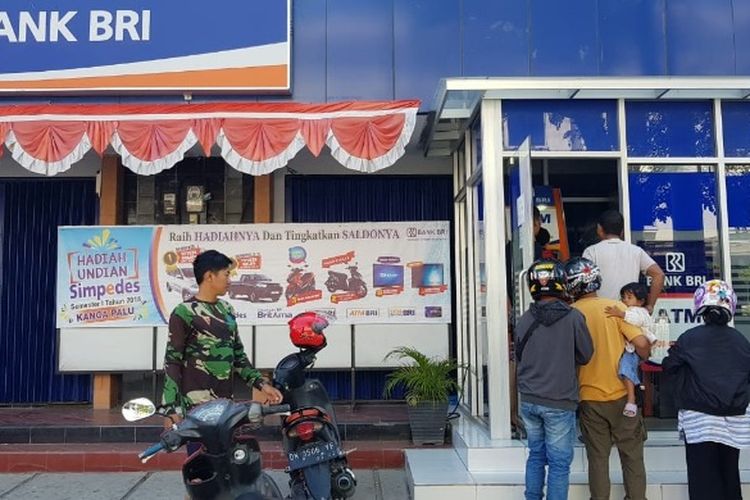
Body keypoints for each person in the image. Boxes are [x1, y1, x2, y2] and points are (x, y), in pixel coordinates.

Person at [161, 250, 283, 433]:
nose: (230, 280)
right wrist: (170, 409)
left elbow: (238, 356)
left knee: (231, 451)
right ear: (209, 276)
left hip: (225, 408)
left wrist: (262, 385)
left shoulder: (227, 310)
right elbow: (172, 361)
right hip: (196, 410)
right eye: (226, 274)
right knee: (201, 452)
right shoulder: (184, 312)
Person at [564, 257, 651, 500]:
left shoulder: (570, 314)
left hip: (588, 397)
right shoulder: (615, 308)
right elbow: (642, 344)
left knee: (598, 458)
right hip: (624, 395)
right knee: (632, 456)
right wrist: (638, 359)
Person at [661, 280, 750, 500]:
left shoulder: (690, 338)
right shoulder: (741, 340)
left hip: (699, 418)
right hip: (734, 418)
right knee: (729, 473)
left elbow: (669, 366)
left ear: (701, 308)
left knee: (702, 477)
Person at [515, 259, 594, 500]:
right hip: (559, 400)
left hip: (529, 399)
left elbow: (519, 356)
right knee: (559, 464)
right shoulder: (574, 317)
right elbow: (586, 355)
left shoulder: (523, 319)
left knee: (536, 456)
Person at [583, 210, 665, 312]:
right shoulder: (636, 251)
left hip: (602, 312)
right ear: (622, 231)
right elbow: (659, 275)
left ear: (599, 229)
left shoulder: (591, 251)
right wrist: (650, 306)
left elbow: (585, 283)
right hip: (629, 313)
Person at [604, 282, 658, 418]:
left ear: (640, 301)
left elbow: (636, 320)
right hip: (633, 348)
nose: (625, 300)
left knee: (626, 369)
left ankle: (631, 399)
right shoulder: (635, 310)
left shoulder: (638, 311)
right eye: (623, 297)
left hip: (634, 350)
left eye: (629, 297)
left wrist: (620, 314)